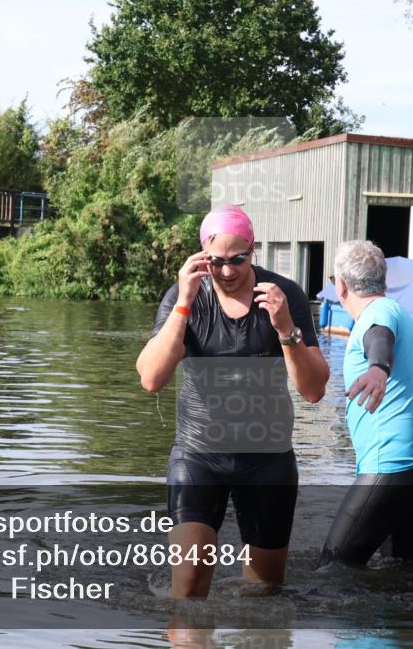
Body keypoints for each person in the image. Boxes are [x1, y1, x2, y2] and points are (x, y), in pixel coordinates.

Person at [136, 205, 330, 599]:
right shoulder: (185, 294)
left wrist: (286, 329)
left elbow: (314, 390)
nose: (227, 272)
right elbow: (151, 378)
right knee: (188, 590)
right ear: (202, 255)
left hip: (268, 459)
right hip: (199, 456)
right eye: (216, 261)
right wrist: (184, 303)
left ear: (252, 250)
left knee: (263, 594)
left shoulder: (283, 295)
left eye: (237, 260)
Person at [319, 240, 413, 568]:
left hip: (393, 468)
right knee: (403, 575)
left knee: (332, 570)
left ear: (340, 285)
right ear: (383, 280)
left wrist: (378, 368)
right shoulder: (408, 321)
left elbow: (378, 339)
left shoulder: (378, 313)